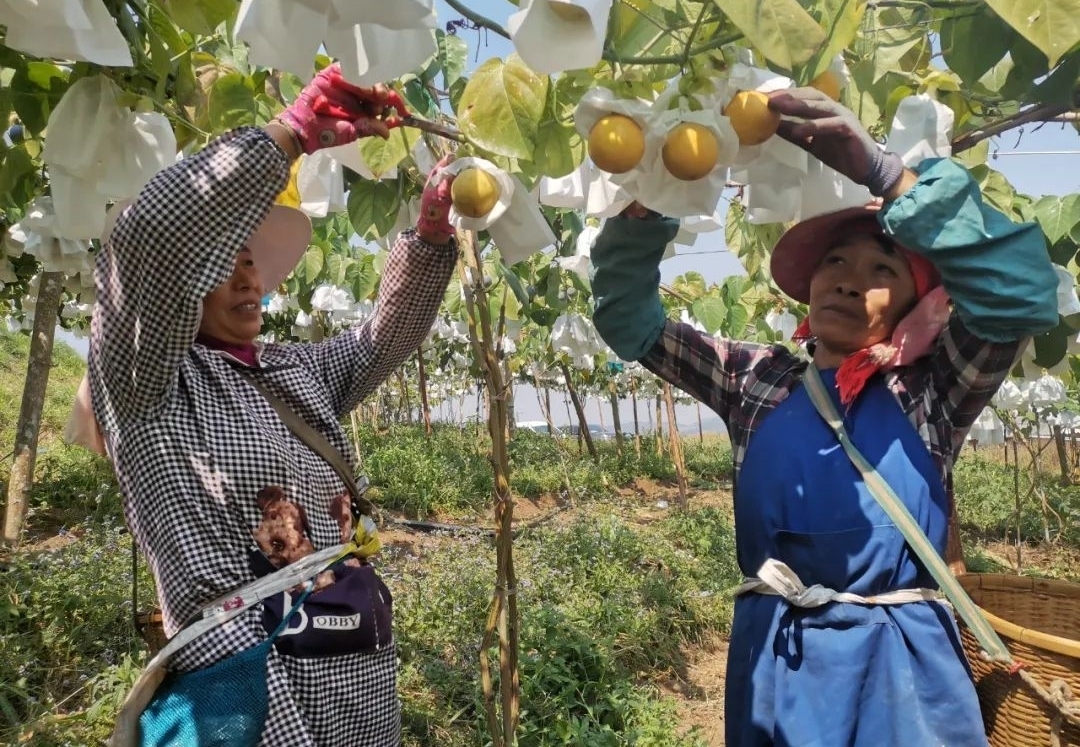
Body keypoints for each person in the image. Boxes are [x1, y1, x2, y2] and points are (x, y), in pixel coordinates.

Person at [589, 88, 1059, 746]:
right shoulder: (756, 379)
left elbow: (1021, 295)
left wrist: (889, 174)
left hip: (903, 672)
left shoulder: (932, 391)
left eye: (879, 270)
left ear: (914, 303)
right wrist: (652, 206)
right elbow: (629, 322)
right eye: (835, 262)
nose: (846, 278)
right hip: (782, 665)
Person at [76, 64, 460, 745]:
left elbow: (381, 340)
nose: (248, 277)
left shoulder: (295, 367)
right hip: (254, 681)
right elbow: (147, 243)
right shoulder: (146, 386)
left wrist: (428, 239)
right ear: (181, 287)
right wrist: (292, 132)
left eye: (252, 260)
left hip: (358, 674)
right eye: (224, 263)